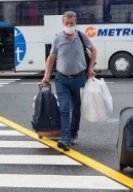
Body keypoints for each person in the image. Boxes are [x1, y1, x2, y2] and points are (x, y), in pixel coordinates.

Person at [41, 11, 97, 151]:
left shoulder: (81, 36)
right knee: (64, 108)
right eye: (67, 23)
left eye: (72, 23)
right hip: (62, 79)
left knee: (76, 109)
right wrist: (46, 75)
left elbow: (94, 50)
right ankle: (65, 139)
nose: (69, 25)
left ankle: (73, 134)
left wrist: (90, 68)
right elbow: (51, 58)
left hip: (79, 78)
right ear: (63, 23)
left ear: (75, 23)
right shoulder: (58, 39)